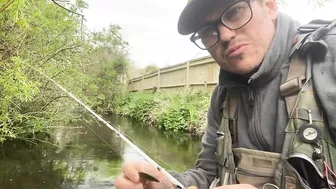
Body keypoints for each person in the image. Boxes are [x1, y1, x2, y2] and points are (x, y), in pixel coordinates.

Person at [115, 0, 336, 188]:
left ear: (269, 6)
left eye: (234, 13)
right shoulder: (222, 97)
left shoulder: (329, 56)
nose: (225, 35)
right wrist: (168, 183)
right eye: (207, 32)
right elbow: (207, 173)